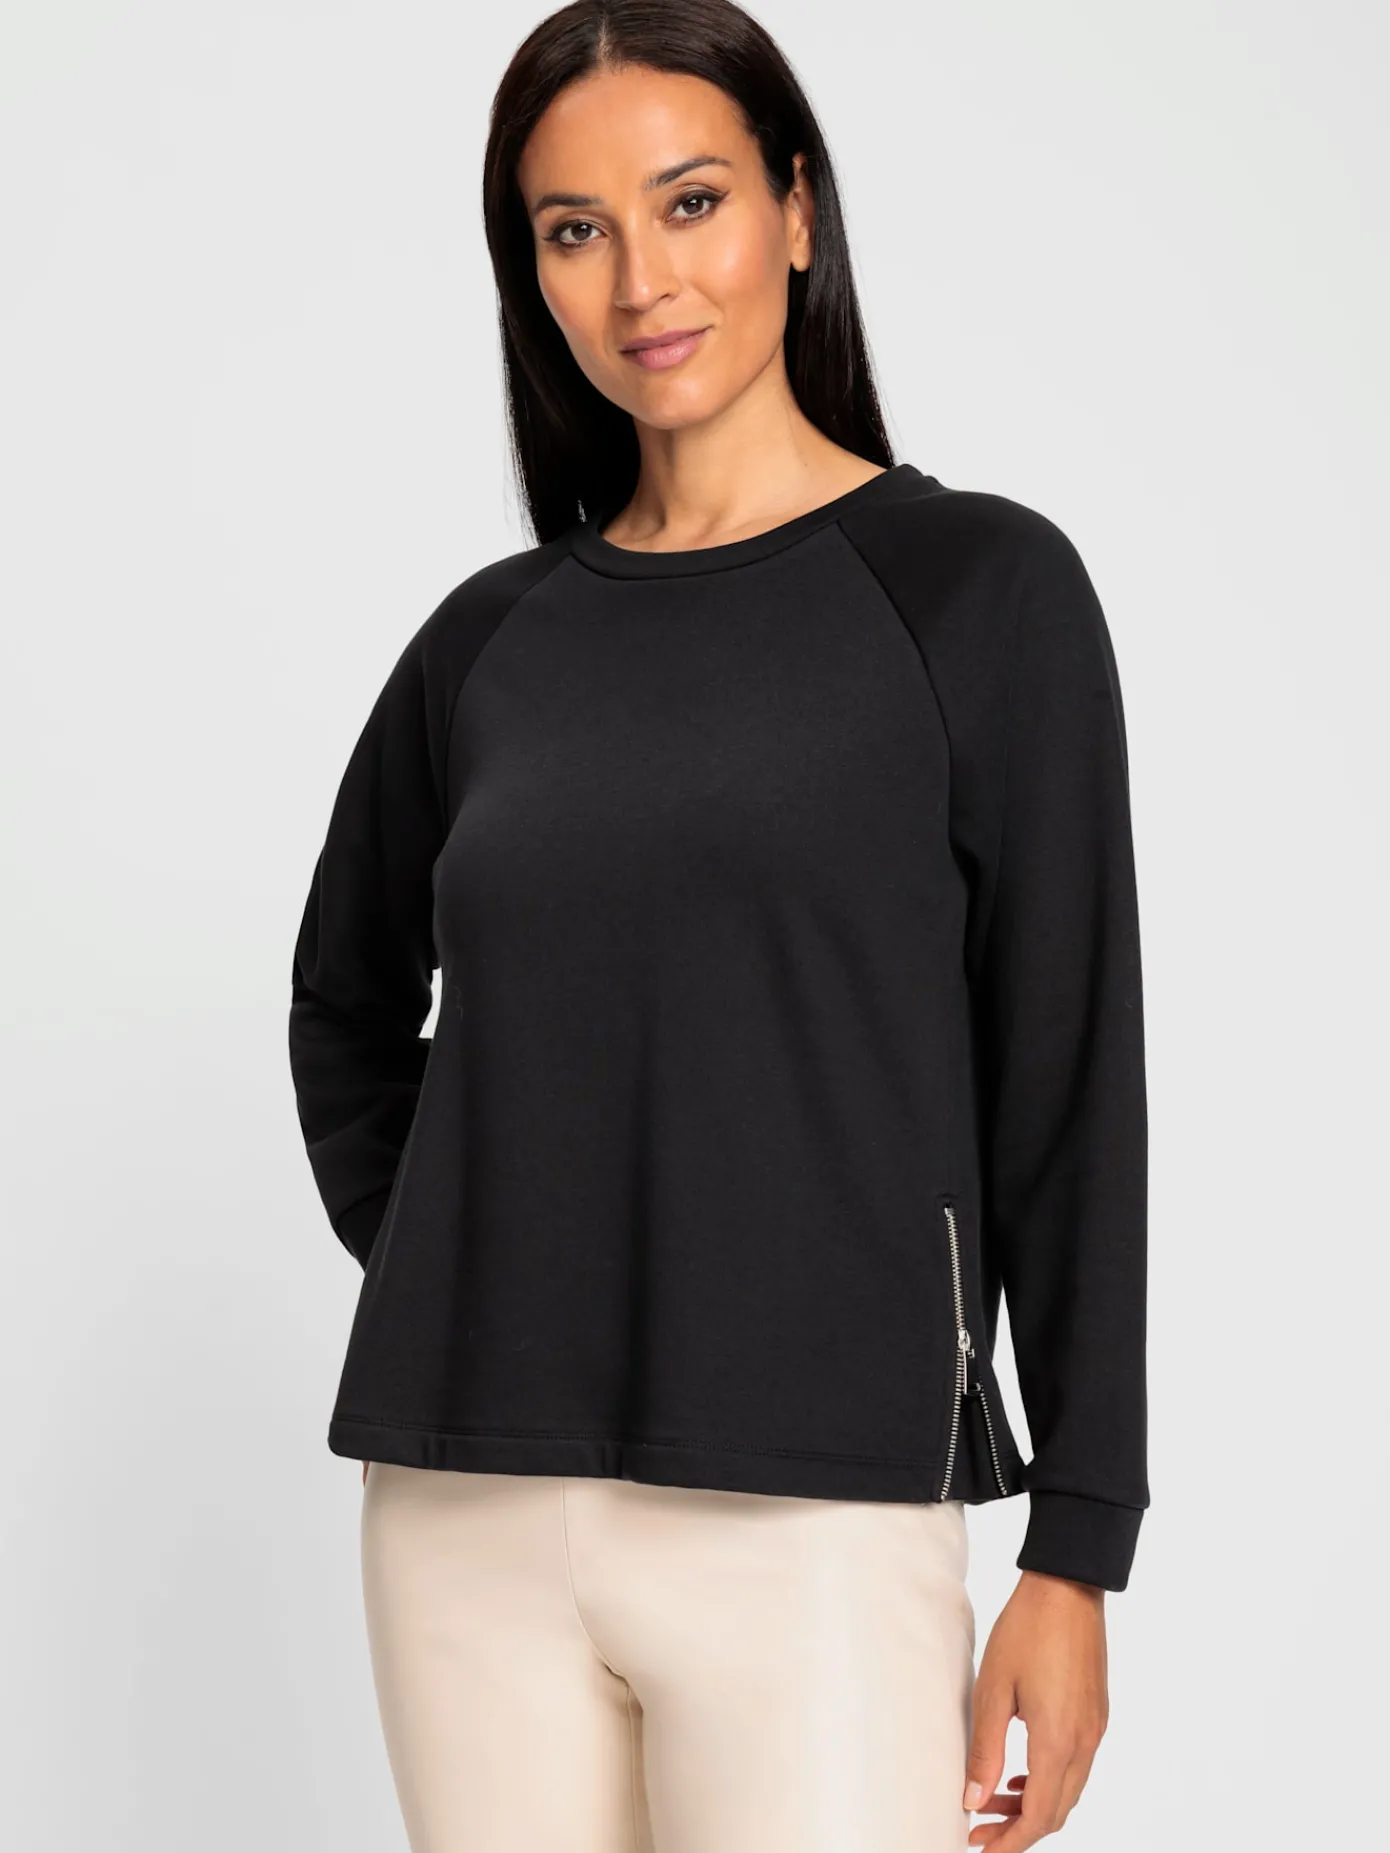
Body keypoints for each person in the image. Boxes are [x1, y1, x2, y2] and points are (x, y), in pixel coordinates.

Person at [286, 3, 1148, 1849]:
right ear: (529, 273)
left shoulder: (977, 593)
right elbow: (342, 1001)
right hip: (465, 1520)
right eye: (573, 229)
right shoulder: (486, 644)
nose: (639, 282)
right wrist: (459, 1250)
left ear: (796, 209)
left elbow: (1068, 1077)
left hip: (817, 1519)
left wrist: (1076, 1546)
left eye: (689, 202)